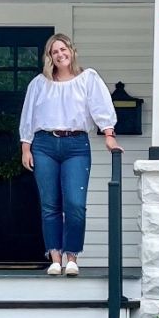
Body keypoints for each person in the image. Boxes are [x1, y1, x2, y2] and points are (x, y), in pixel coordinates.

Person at [19, 33, 122, 276]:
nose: (60, 54)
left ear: (71, 51)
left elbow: (100, 106)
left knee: (75, 204)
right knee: (50, 204)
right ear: (50, 57)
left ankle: (72, 257)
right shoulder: (39, 84)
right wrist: (26, 147)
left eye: (63, 49)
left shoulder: (87, 79)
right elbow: (28, 116)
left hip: (76, 145)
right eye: (55, 51)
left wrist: (109, 134)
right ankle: (55, 258)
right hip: (44, 144)